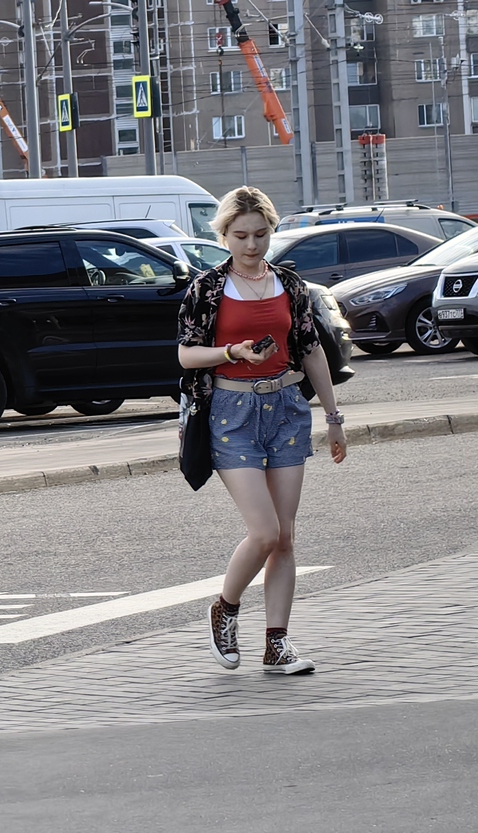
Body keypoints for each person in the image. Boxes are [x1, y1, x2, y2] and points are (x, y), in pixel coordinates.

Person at [177, 186, 346, 675]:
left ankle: (277, 643)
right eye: (240, 235)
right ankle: (225, 608)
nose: (251, 245)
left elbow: (312, 350)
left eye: (260, 234)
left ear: (272, 230)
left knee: (286, 537)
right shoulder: (207, 289)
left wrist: (334, 419)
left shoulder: (291, 285)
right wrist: (232, 353)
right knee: (264, 530)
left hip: (288, 408)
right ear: (224, 235)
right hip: (231, 411)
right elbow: (187, 355)